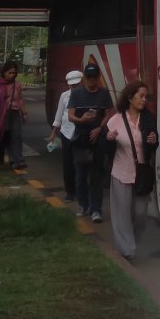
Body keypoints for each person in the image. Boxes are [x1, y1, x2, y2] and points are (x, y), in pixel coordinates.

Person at [105, 80, 158, 262]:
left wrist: (153, 140)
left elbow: (153, 143)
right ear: (130, 97)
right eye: (141, 96)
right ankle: (127, 250)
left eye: (146, 97)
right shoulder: (116, 120)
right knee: (122, 214)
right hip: (121, 172)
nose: (144, 100)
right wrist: (109, 139)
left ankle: (130, 242)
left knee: (141, 213)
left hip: (141, 174)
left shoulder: (149, 119)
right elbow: (106, 148)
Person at [68, 63, 114, 222]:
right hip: (81, 139)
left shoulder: (104, 94)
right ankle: (83, 205)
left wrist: (100, 128)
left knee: (96, 176)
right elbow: (70, 115)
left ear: (98, 78)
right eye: (89, 77)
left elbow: (109, 114)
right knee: (80, 176)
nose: (92, 81)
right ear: (84, 78)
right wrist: (81, 120)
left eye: (95, 77)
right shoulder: (76, 93)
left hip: (98, 140)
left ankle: (96, 209)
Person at [0, 60, 28, 172]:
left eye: (14, 73)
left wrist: (24, 113)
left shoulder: (17, 85)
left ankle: (17, 161)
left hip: (14, 115)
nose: (11, 75)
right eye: (9, 73)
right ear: (4, 72)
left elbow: (20, 99)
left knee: (16, 137)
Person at [49, 70, 83, 202]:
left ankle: (81, 191)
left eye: (76, 85)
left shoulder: (86, 96)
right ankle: (70, 192)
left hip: (81, 133)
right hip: (66, 133)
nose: (73, 88)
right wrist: (53, 132)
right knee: (67, 164)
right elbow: (59, 115)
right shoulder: (64, 96)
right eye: (71, 85)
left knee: (80, 164)